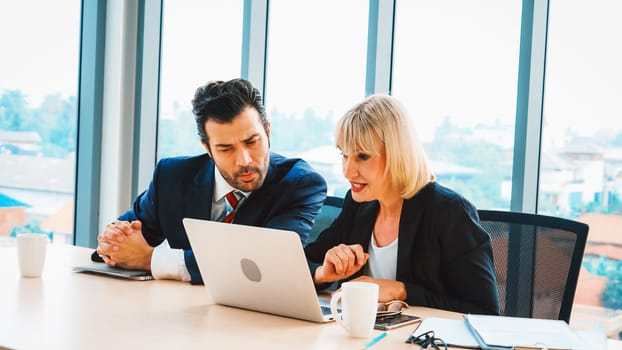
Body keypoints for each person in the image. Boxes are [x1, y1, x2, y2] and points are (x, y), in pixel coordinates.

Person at [96, 78, 327, 284]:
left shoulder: (300, 184)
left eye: (252, 141)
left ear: (268, 131)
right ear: (207, 147)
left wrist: (150, 259)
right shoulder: (172, 176)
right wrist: (113, 243)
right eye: (226, 148)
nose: (244, 160)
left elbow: (267, 261)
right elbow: (126, 237)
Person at [304, 94, 500, 315]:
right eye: (344, 155)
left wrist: (402, 291)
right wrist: (322, 273)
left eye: (363, 157)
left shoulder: (450, 213)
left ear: (397, 155)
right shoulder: (358, 205)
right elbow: (301, 265)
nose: (348, 172)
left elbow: (485, 311)